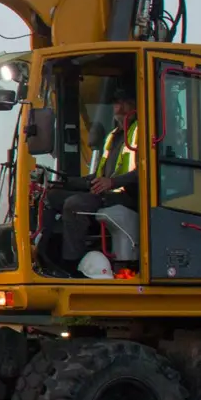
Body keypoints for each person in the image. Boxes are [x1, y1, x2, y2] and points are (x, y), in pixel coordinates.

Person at [45, 85, 139, 275]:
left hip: (128, 196)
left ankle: (72, 265)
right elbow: (96, 176)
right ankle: (45, 256)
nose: (116, 105)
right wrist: (63, 182)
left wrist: (112, 183)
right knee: (52, 196)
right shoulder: (113, 137)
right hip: (107, 193)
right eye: (115, 101)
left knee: (75, 204)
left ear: (133, 105)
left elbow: (147, 172)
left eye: (121, 101)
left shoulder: (142, 132)